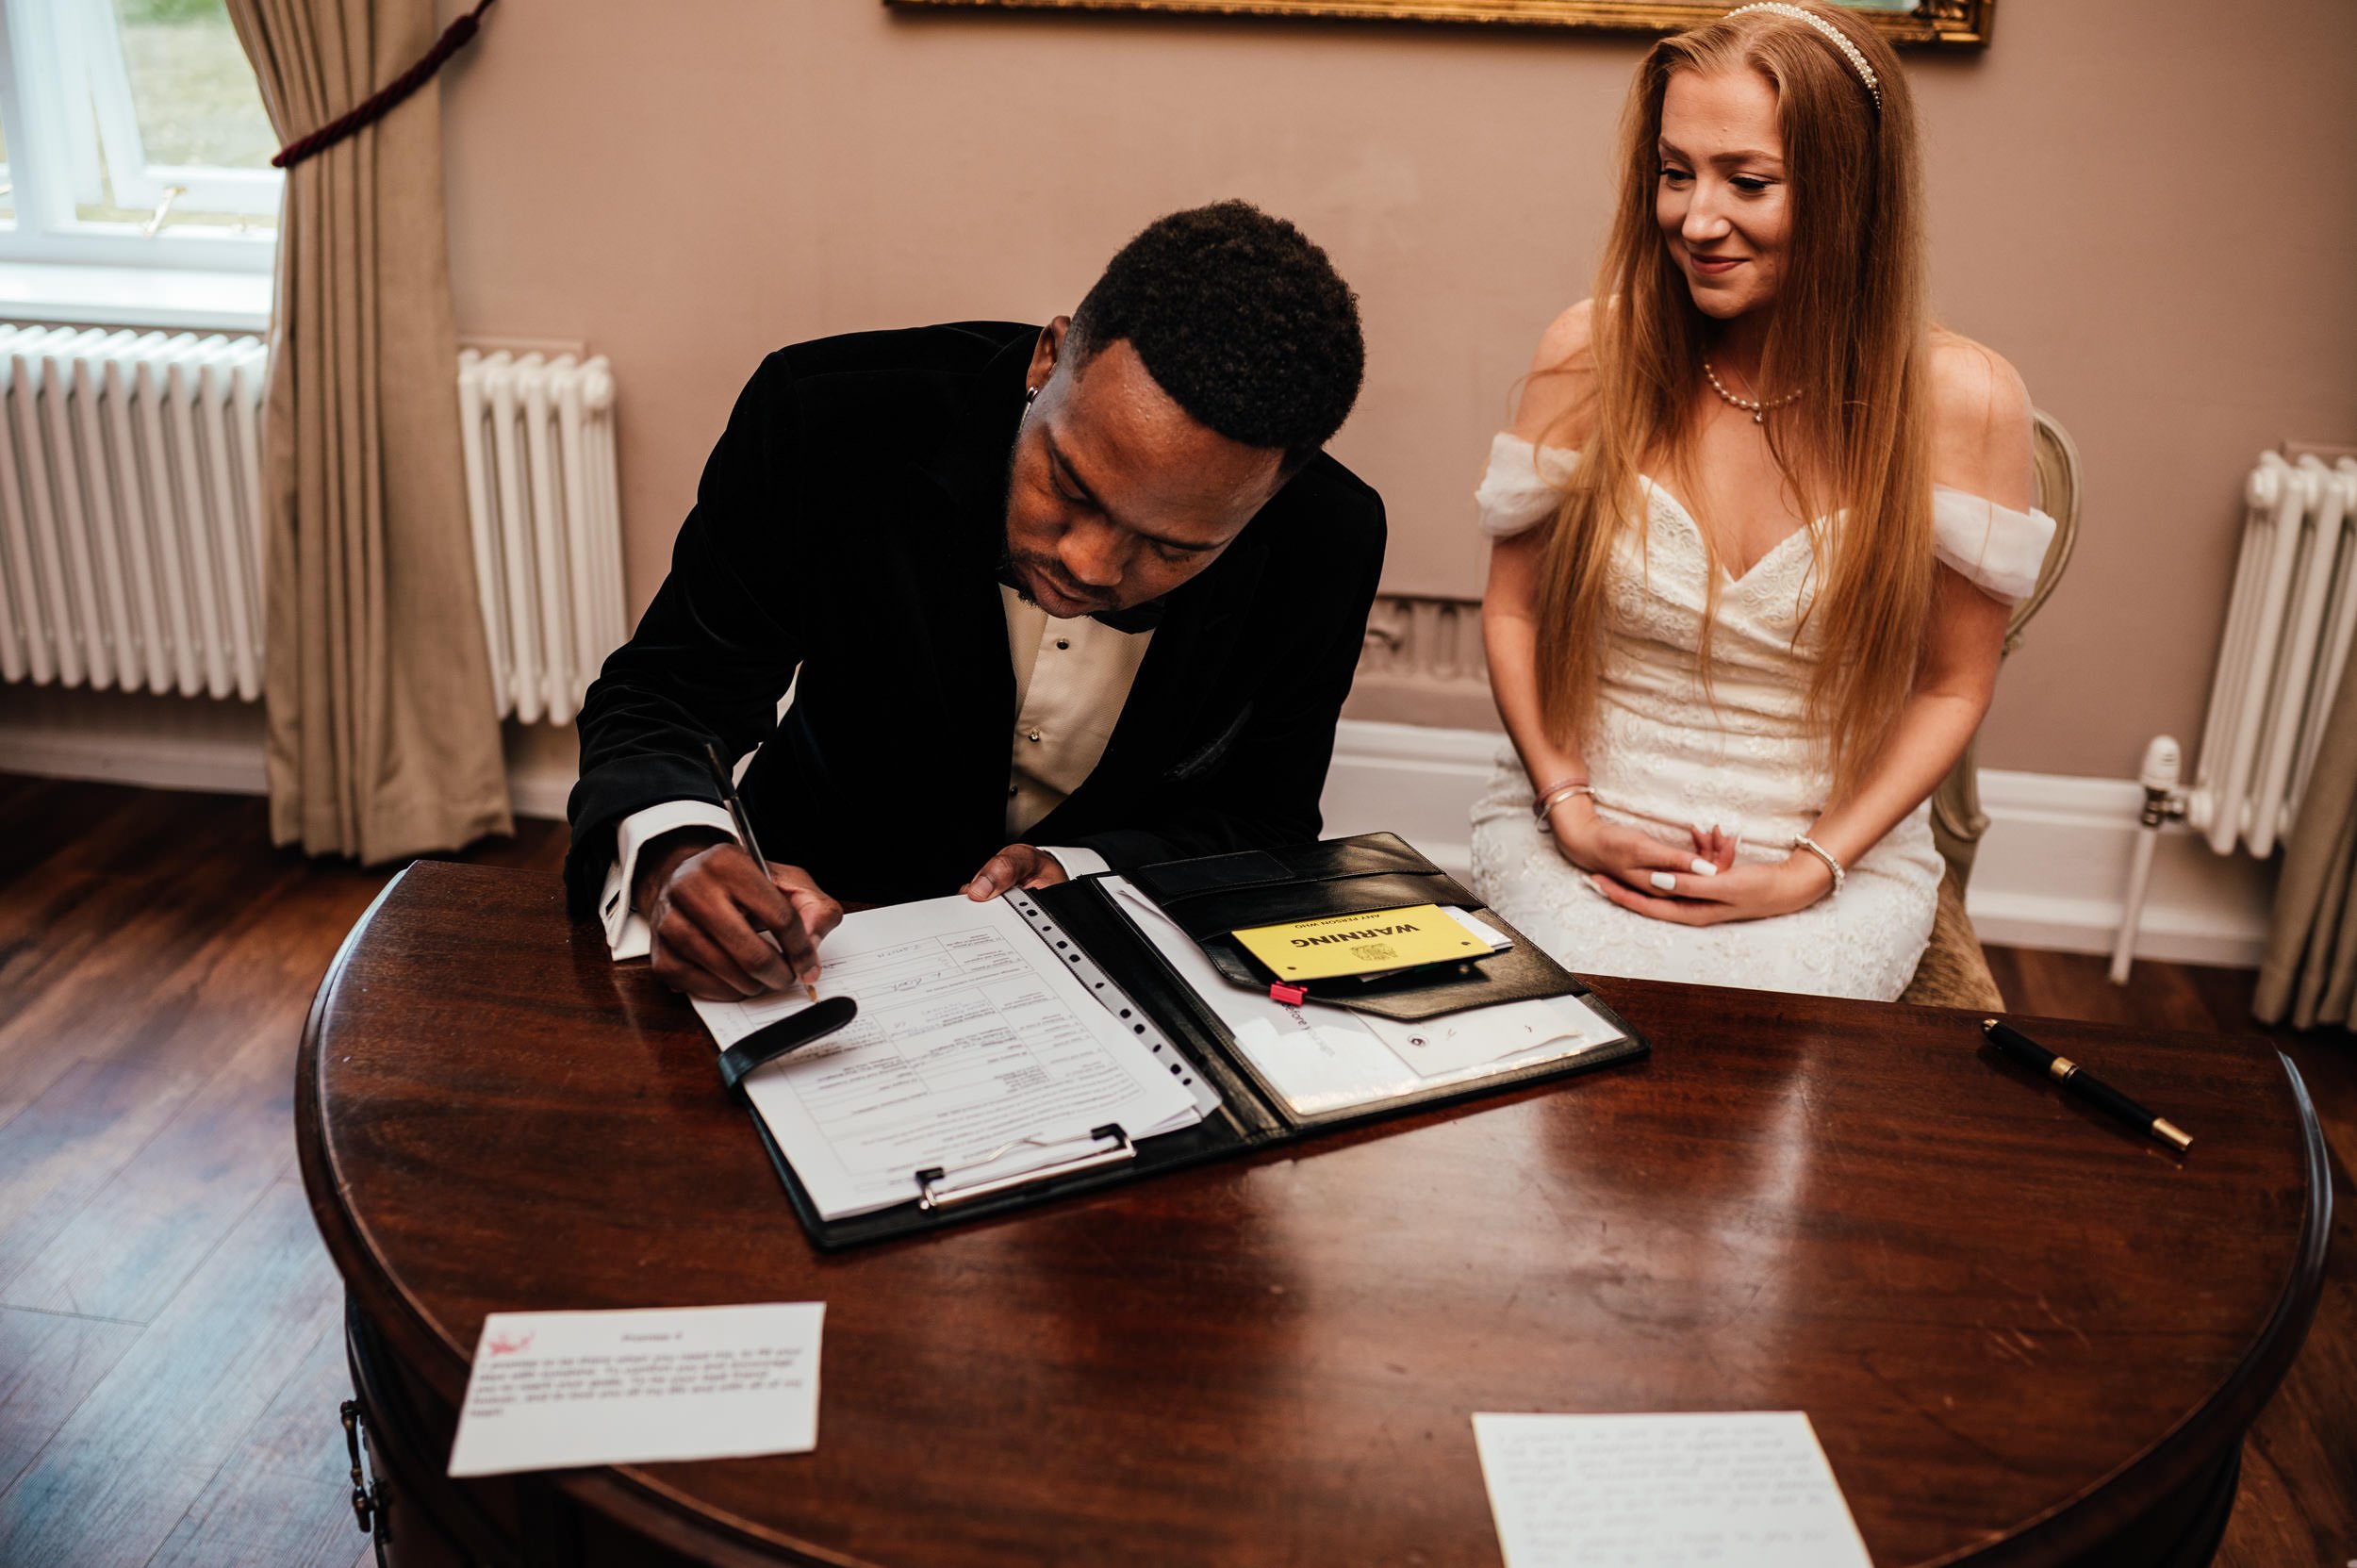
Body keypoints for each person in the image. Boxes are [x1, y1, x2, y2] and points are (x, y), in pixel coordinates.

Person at [566, 201, 1384, 1001]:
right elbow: (666, 695)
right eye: (1069, 485)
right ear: (1048, 360)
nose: (1089, 566)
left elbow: (1265, 823)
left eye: (1173, 547)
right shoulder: (825, 416)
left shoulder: (1329, 539)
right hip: (810, 943)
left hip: (1109, 981)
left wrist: (1083, 868)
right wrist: (679, 852)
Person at [1470, 1, 2052, 1000]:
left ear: (1850, 195)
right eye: (1673, 172)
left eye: (1748, 182)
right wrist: (1565, 803)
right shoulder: (1590, 351)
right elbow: (1513, 608)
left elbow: (1950, 687)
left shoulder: (1963, 402)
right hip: (1582, 830)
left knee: (1766, 1077)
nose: (1696, 220)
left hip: (1827, 859)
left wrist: (1808, 868)